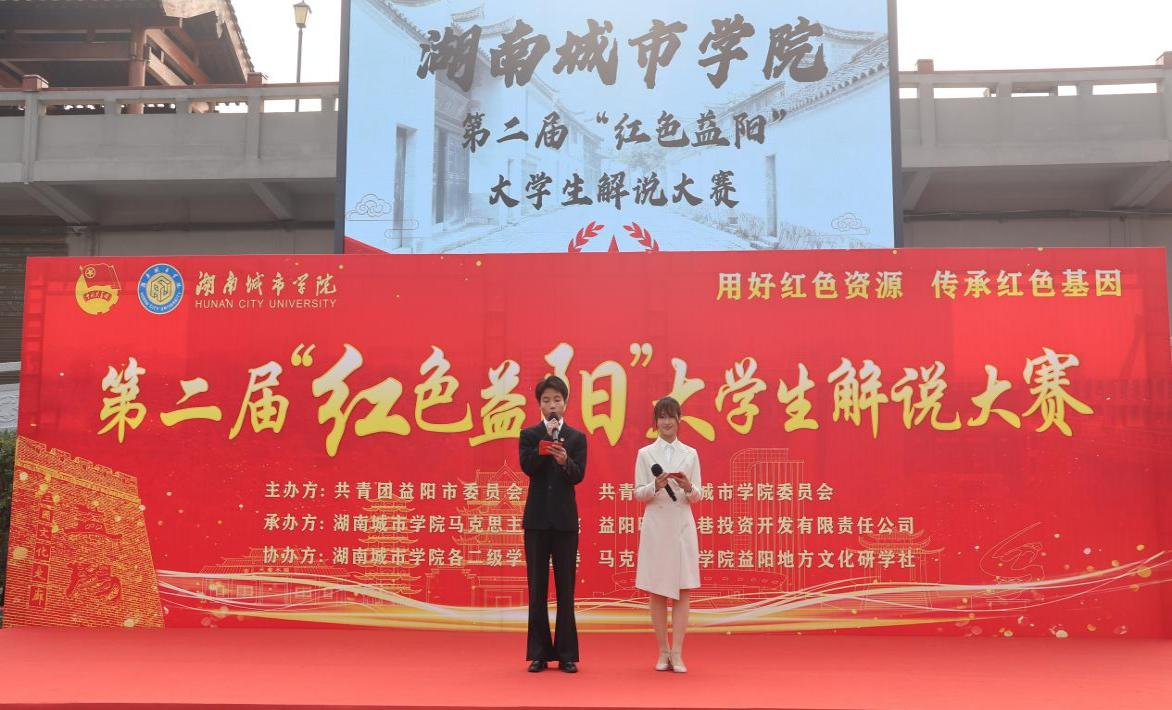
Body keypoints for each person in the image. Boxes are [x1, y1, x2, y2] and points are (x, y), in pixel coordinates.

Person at [518, 375, 587, 673]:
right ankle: (539, 654)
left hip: (564, 523)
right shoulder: (529, 435)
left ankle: (567, 654)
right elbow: (527, 467)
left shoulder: (576, 438)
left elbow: (578, 475)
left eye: (557, 400)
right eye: (546, 400)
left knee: (565, 590)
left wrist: (564, 461)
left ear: (565, 403)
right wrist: (543, 447)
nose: (552, 405)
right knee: (537, 589)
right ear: (539, 405)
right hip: (536, 522)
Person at [634, 396, 702, 673]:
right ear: (655, 422)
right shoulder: (645, 454)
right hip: (657, 526)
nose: (666, 422)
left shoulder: (691, 454)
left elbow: (698, 495)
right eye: (661, 417)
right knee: (657, 588)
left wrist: (687, 487)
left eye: (670, 416)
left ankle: (678, 652)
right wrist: (655, 485)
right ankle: (663, 651)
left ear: (679, 420)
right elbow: (638, 493)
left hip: (682, 525)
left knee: (683, 587)